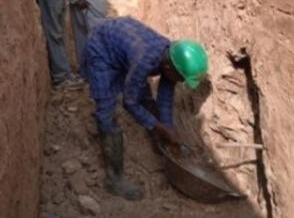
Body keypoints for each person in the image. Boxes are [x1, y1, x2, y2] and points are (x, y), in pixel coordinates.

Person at [82, 15, 208, 201]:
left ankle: (159, 140)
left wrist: (168, 128)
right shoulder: (144, 60)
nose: (181, 82)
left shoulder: (170, 56)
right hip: (101, 48)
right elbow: (129, 102)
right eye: (181, 77)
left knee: (147, 98)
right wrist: (160, 127)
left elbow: (165, 96)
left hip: (122, 46)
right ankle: (114, 180)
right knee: (106, 110)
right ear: (167, 66)